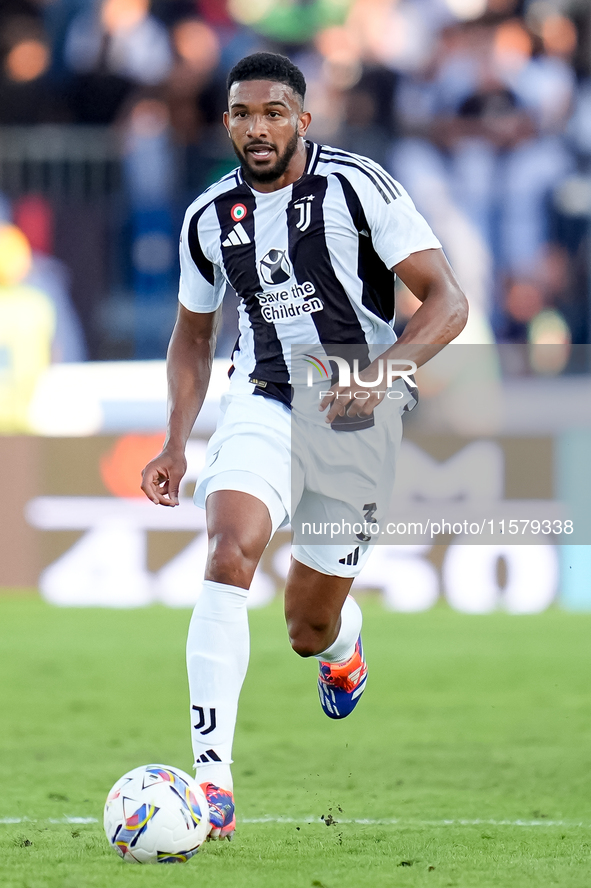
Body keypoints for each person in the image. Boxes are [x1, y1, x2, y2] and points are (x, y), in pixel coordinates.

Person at [140, 51, 468, 841]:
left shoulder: (361, 186)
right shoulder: (207, 218)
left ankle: (344, 644)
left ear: (302, 121)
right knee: (228, 552)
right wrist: (175, 441)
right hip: (260, 398)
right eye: (242, 115)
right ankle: (210, 783)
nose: (256, 129)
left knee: (306, 628)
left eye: (272, 113)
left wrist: (382, 374)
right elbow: (191, 339)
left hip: (358, 414)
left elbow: (448, 303)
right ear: (225, 124)